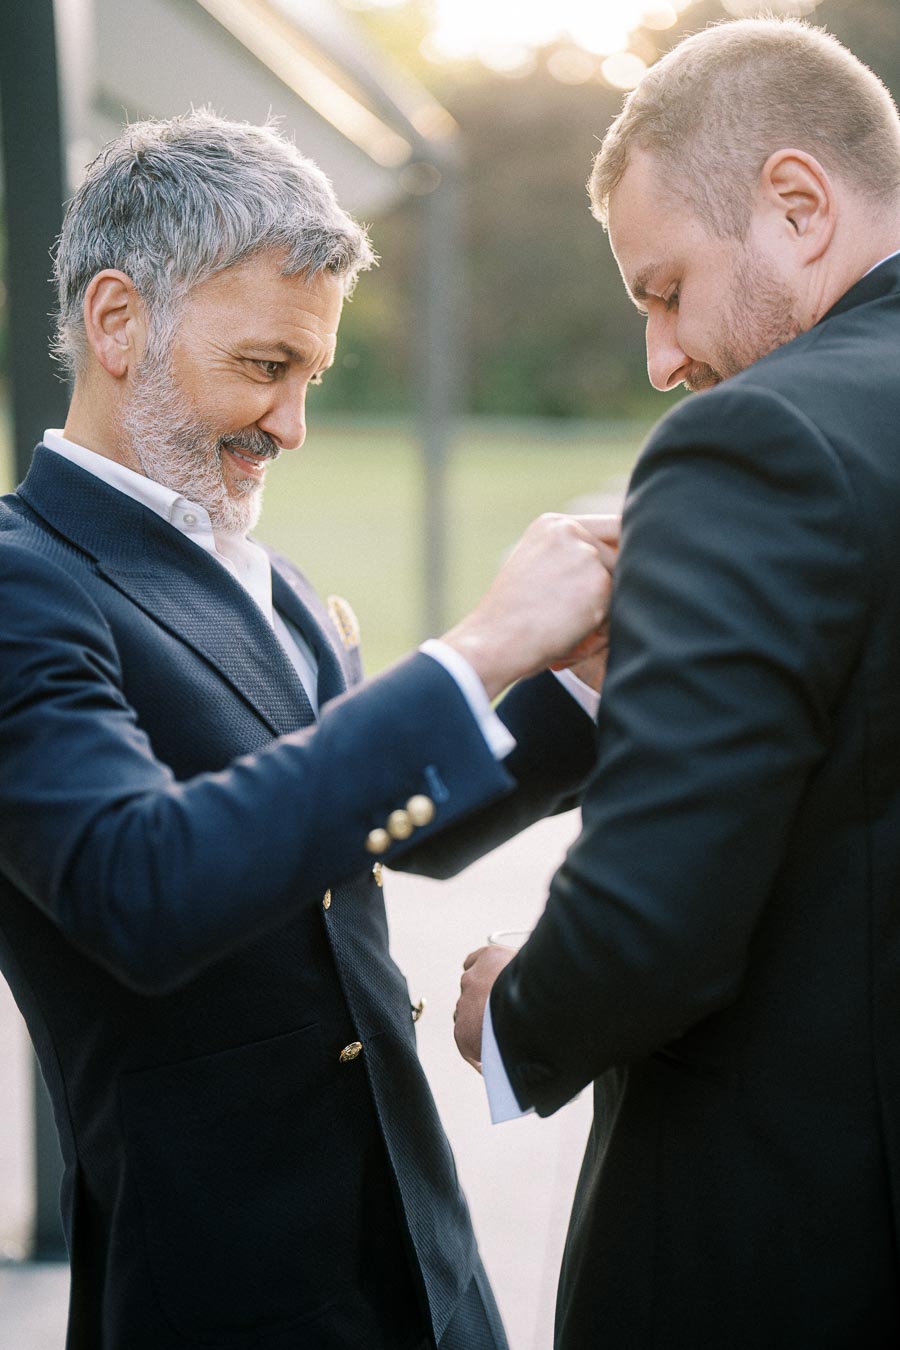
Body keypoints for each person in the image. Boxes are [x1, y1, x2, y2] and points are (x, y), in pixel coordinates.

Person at [0, 112, 617, 1350]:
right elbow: (139, 888)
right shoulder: (24, 583)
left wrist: (579, 685)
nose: (291, 428)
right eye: (264, 368)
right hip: (214, 1285)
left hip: (413, 1243)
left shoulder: (267, 582)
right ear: (117, 323)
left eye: (310, 378)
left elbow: (376, 837)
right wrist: (477, 649)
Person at [453, 16, 900, 1348]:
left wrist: (509, 1013)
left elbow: (656, 916)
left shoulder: (758, 435)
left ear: (798, 205)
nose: (663, 361)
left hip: (783, 1243)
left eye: (665, 289)